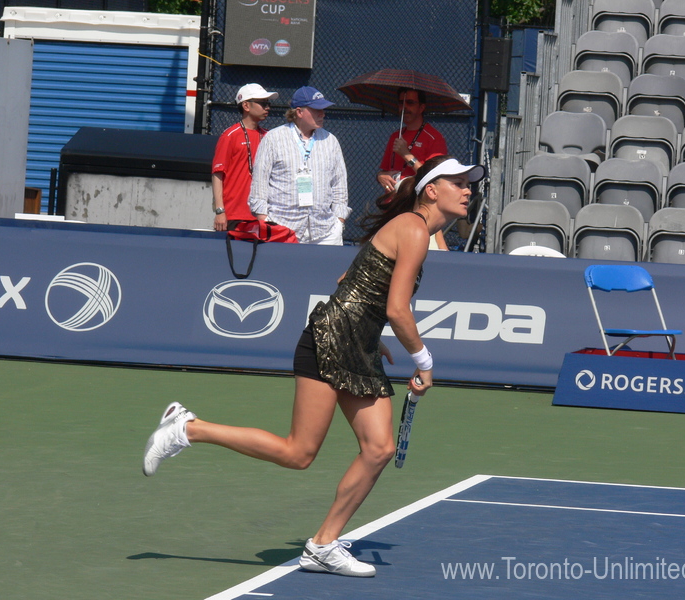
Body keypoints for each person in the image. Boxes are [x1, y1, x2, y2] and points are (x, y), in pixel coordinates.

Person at [142, 155, 486, 577]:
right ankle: (187, 427)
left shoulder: (413, 231)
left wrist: (367, 336)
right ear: (432, 190)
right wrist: (424, 361)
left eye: (469, 183)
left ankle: (323, 545)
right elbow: (397, 308)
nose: (468, 189)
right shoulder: (414, 228)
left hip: (354, 345)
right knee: (298, 453)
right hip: (328, 343)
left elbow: (351, 283)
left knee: (378, 449)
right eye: (459, 182)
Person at [248, 86, 350, 245]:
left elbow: (339, 184)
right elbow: (259, 184)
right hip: (283, 228)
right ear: (299, 112)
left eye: (323, 109)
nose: (322, 113)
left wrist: (339, 221)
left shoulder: (331, 141)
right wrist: (266, 220)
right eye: (316, 109)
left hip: (325, 231)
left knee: (328, 271)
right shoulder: (273, 139)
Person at [211, 83, 278, 231]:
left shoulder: (269, 136)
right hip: (234, 214)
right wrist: (220, 211)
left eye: (268, 103)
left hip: (263, 214)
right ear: (246, 106)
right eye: (262, 103)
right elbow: (217, 175)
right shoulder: (230, 135)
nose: (267, 107)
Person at [376, 88, 448, 194]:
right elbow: (385, 171)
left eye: (410, 103)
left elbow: (433, 177)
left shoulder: (434, 138)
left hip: (415, 202)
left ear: (421, 107)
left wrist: (406, 154)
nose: (404, 107)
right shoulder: (396, 136)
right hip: (392, 201)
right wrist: (380, 176)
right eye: (401, 103)